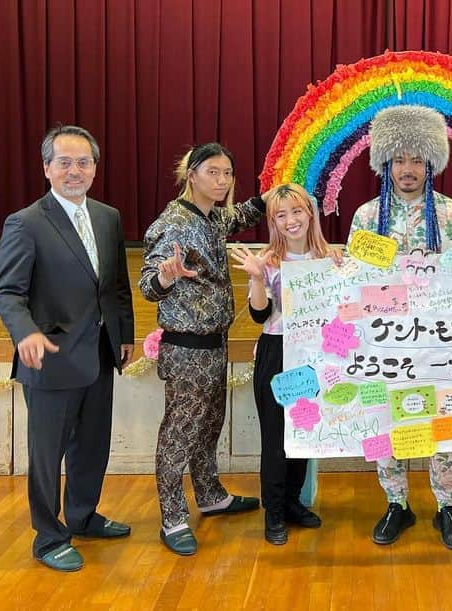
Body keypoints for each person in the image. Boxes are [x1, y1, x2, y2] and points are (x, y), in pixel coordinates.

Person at [0, 125, 135, 572]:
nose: (75, 171)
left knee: (92, 445)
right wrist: (25, 333)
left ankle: (83, 515)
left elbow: (115, 286)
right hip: (50, 358)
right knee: (46, 452)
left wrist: (125, 334)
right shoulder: (27, 222)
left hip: (100, 353)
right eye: (65, 162)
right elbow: (8, 293)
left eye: (84, 162)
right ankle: (49, 536)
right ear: (47, 168)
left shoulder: (108, 216)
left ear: (95, 167)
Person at [347, 105, 452, 549]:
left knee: (444, 423)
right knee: (387, 420)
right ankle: (397, 502)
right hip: (386, 346)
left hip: (440, 345)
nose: (407, 169)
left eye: (416, 160)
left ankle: (447, 506)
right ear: (385, 163)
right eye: (398, 159)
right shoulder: (366, 218)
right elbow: (354, 283)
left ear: (431, 163)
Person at [138, 142, 266, 556]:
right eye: (213, 172)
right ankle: (172, 517)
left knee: (210, 425)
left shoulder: (212, 216)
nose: (222, 180)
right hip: (187, 347)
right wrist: (166, 278)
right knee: (180, 432)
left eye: (227, 173)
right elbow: (147, 285)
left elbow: (244, 213)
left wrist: (275, 193)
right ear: (191, 174)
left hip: (215, 343)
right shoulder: (174, 223)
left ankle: (210, 495)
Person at [230, 183, 332, 545]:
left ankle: (292, 504)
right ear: (273, 221)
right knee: (276, 439)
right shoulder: (269, 261)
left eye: (297, 211)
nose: (291, 221)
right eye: (281, 214)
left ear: (310, 213)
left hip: (313, 355)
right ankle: (273, 513)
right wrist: (257, 279)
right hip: (277, 351)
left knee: (303, 432)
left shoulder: (330, 259)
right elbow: (259, 315)